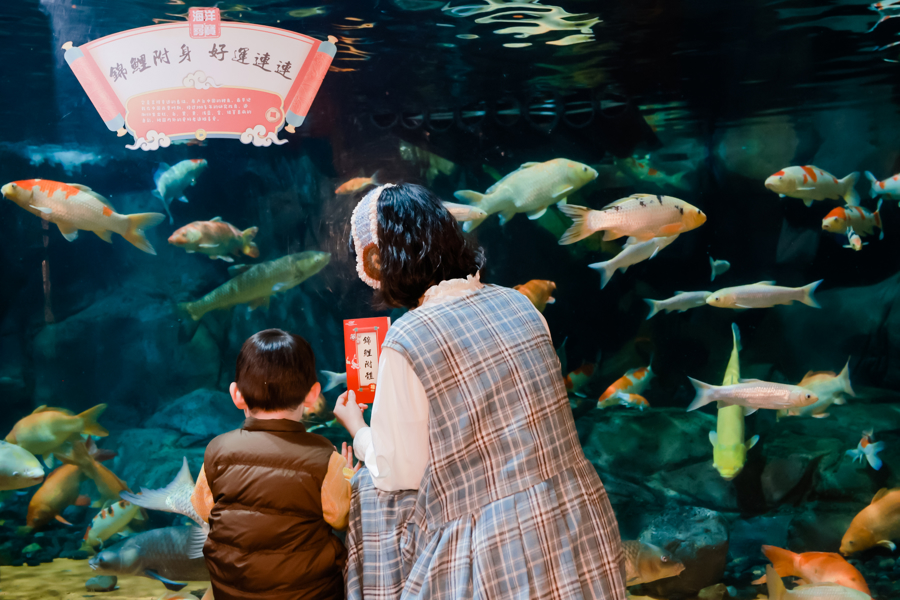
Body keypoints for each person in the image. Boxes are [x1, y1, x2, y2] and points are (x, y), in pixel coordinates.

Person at [334, 183, 627, 599]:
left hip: (494, 549)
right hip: (575, 519)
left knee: (372, 491)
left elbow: (400, 469)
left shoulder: (408, 337)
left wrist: (358, 430)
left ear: (383, 261)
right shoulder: (519, 304)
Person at [190, 329, 356, 600]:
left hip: (233, 593)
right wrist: (348, 477)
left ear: (237, 395)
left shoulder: (216, 450)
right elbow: (339, 517)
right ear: (313, 395)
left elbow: (203, 508)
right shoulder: (326, 457)